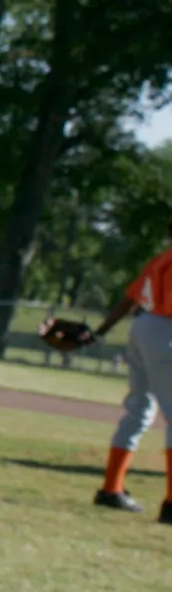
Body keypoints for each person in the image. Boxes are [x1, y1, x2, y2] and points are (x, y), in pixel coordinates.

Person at [87, 209, 172, 518]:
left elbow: (128, 299)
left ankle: (111, 489)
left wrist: (101, 332)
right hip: (167, 331)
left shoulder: (161, 258)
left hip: (142, 327)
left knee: (139, 409)